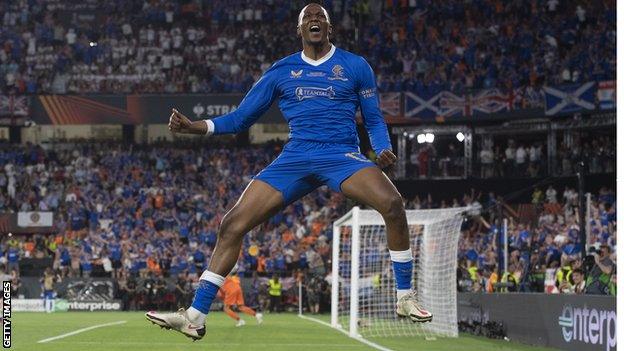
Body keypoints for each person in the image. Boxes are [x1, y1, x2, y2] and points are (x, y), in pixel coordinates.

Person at [145, 3, 432, 341]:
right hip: (296, 157)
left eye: (320, 17)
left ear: (329, 28)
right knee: (232, 224)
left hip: (340, 155)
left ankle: (404, 297)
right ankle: (194, 316)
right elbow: (240, 118)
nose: (314, 20)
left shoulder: (355, 66)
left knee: (393, 204)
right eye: (307, 17)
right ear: (299, 30)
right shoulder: (281, 71)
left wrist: (382, 147)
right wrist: (196, 127)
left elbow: (373, 118)